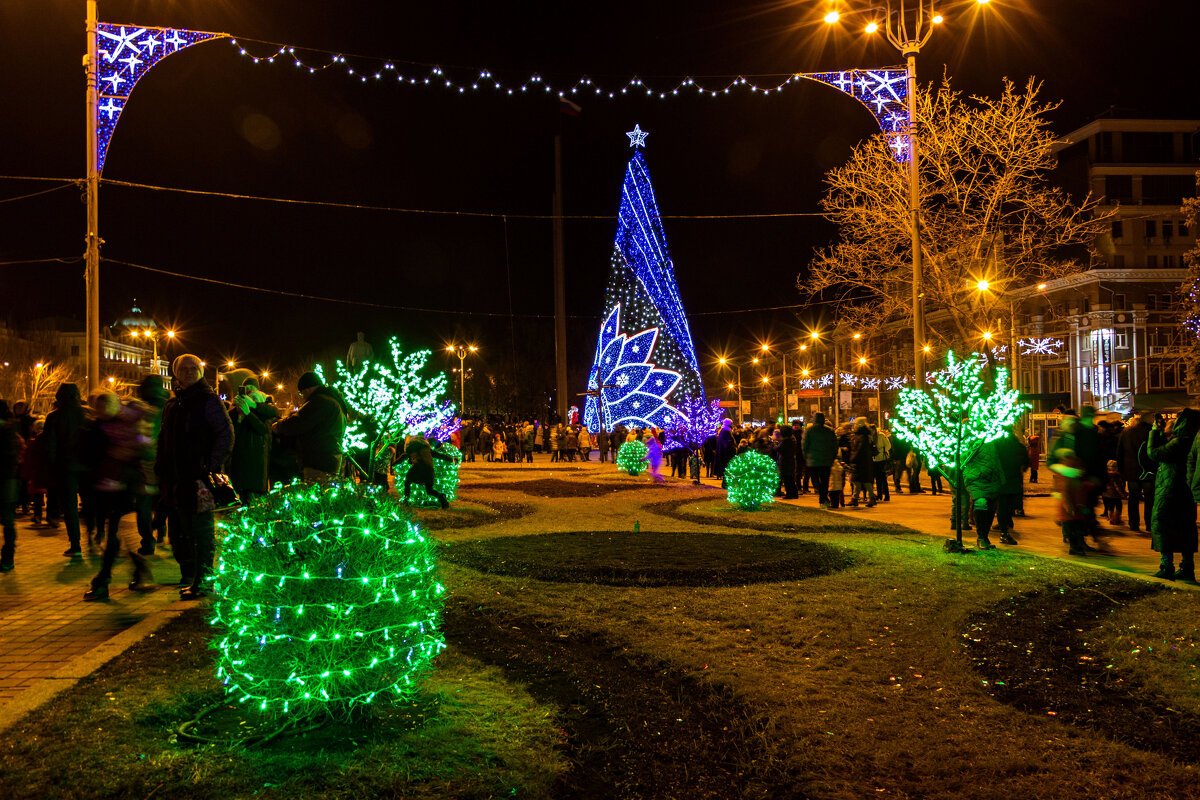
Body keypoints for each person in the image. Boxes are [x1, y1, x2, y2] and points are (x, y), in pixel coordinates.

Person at [158, 354, 234, 600]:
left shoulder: (208, 400)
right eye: (184, 369)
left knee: (202, 532)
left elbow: (225, 433)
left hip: (199, 479)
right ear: (176, 373)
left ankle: (204, 581)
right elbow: (164, 438)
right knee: (185, 531)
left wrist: (211, 467)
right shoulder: (174, 403)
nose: (189, 372)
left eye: (194, 368)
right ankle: (195, 578)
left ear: (201, 372)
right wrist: (161, 468)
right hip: (177, 478)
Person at [82, 389, 155, 601]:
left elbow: (144, 448)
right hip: (107, 489)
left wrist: (126, 455)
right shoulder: (98, 426)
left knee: (115, 536)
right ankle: (139, 572)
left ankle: (103, 581)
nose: (101, 410)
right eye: (98, 406)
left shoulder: (130, 424)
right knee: (119, 536)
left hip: (126, 488)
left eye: (105, 406)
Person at [1147, 409, 1199, 581]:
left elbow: (1154, 453)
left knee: (1163, 525)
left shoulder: (1180, 442)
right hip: (1185, 491)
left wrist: (1154, 432)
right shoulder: (1192, 440)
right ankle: (1187, 567)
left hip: (1169, 490)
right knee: (1185, 528)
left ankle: (1166, 566)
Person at [273, 372, 346, 482]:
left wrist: (277, 426)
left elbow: (298, 422)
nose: (303, 397)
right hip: (329, 458)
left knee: (317, 493)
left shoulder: (320, 401)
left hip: (319, 461)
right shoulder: (333, 400)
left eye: (302, 393)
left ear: (307, 389)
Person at [44, 383, 85, 556]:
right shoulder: (87, 414)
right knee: (91, 503)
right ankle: (95, 534)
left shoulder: (54, 417)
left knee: (70, 507)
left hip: (65, 467)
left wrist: (52, 467)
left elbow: (50, 445)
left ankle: (75, 543)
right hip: (87, 466)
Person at [228, 377, 279, 503]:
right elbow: (232, 433)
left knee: (255, 499)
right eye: (247, 390)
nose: (250, 394)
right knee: (243, 497)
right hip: (241, 462)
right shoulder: (237, 411)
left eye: (253, 391)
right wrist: (240, 416)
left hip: (257, 463)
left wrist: (249, 411)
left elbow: (262, 429)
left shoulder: (266, 411)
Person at [961, 439, 1004, 550]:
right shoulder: (969, 437)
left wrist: (1000, 476)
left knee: (991, 507)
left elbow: (997, 459)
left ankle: (985, 536)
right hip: (977, 478)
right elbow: (963, 456)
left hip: (992, 478)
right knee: (981, 503)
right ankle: (981, 537)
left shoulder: (992, 438)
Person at [1050, 448, 1093, 557]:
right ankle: (1075, 547)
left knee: (1075, 528)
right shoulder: (1070, 474)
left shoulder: (1067, 472)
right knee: (1075, 529)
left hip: (1073, 507)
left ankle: (1075, 547)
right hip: (1072, 508)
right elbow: (1067, 491)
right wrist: (1069, 506)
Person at [1116, 411, 1154, 532]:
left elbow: (1119, 453)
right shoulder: (1152, 433)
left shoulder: (1126, 433)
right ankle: (1149, 524)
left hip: (1131, 471)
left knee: (1133, 497)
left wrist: (1121, 470)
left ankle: (1134, 524)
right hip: (1148, 471)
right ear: (1149, 420)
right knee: (1149, 499)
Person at [993, 425, 1030, 545]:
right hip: (1015, 481)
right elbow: (1026, 462)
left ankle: (1004, 531)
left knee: (1002, 507)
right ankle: (1007, 525)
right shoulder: (1018, 445)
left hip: (1002, 481)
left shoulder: (997, 445)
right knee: (1009, 506)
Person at [402, 432, 451, 508]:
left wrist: (394, 463)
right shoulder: (428, 449)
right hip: (429, 470)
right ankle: (442, 498)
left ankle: (406, 499)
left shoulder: (412, 448)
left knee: (407, 481)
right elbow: (439, 455)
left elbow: (403, 456)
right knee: (429, 490)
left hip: (417, 469)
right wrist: (451, 459)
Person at [0, 401, 20, 572]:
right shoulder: (11, 429)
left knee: (7, 520)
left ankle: (8, 557)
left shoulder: (7, 430)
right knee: (8, 520)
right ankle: (8, 557)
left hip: (7, 479)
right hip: (9, 478)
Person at [802, 412, 836, 508]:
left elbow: (804, 445)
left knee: (816, 482)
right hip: (826, 461)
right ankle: (824, 499)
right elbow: (834, 446)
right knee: (825, 481)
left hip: (813, 461)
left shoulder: (809, 431)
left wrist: (806, 457)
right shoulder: (829, 431)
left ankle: (823, 499)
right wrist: (832, 457)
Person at [847, 418, 876, 507]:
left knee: (863, 481)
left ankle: (870, 498)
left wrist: (852, 459)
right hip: (864, 462)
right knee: (858, 481)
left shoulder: (861, 436)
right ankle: (855, 498)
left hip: (861, 462)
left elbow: (859, 450)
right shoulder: (865, 435)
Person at [1103, 460, 1126, 525]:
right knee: (1119, 506)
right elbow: (1118, 486)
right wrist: (1123, 494)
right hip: (1116, 495)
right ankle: (1117, 519)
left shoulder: (1106, 475)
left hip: (1108, 495)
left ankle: (1110, 518)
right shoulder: (1116, 476)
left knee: (1110, 507)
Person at [871, 426, 891, 502]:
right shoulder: (871, 437)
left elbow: (888, 445)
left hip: (882, 458)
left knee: (882, 478)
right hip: (874, 459)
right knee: (878, 478)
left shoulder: (881, 435)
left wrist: (882, 451)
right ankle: (879, 495)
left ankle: (886, 495)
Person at [714, 419, 736, 483]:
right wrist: (732, 448)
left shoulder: (724, 431)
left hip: (724, 453)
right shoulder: (726, 432)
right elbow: (726, 443)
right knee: (726, 467)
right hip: (726, 454)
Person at [778, 425, 798, 499]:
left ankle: (789, 494)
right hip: (790, 461)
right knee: (790, 479)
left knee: (787, 479)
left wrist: (774, 445)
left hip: (785, 462)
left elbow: (778, 449)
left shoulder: (786, 441)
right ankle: (794, 493)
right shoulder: (791, 440)